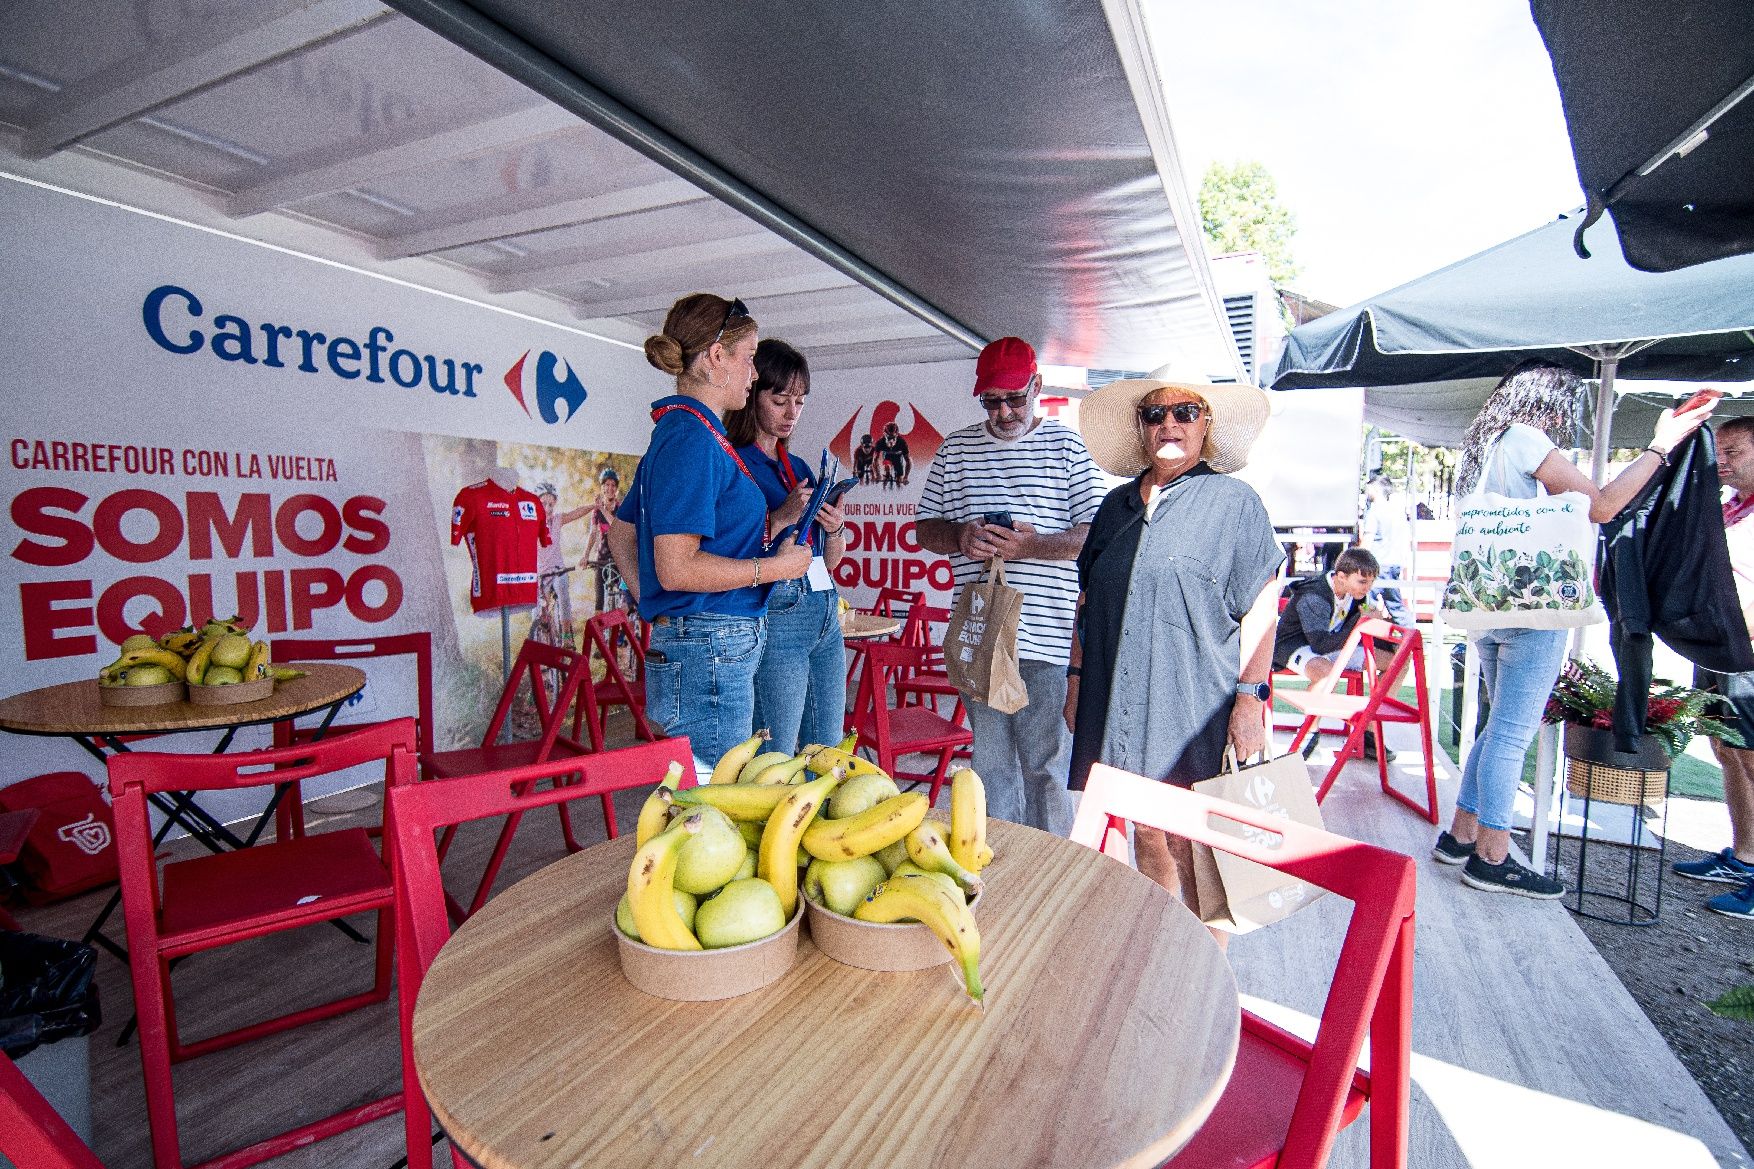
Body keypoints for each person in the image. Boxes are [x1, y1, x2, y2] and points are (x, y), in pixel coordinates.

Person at [1433, 360, 1715, 898]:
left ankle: (1461, 836)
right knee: (1513, 732)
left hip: (1487, 603)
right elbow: (1604, 506)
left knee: (1497, 729)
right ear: (1549, 401)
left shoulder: (1485, 443)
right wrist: (1660, 446)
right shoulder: (1525, 438)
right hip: (1533, 606)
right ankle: (1493, 856)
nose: (1569, 418)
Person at [1065, 376, 1283, 901]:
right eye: (1154, 415)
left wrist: (1251, 701)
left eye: (1186, 412)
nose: (1170, 424)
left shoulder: (1234, 502)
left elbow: (1263, 605)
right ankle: (1164, 942)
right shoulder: (1115, 506)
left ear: (1206, 425)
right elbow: (1087, 602)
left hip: (1196, 702)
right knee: (1145, 826)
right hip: (1120, 700)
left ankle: (1210, 965)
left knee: (1199, 841)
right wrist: (1074, 681)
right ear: (1140, 428)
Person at [606, 294, 813, 773]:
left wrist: (662, 609)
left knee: (711, 790)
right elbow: (677, 566)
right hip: (711, 645)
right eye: (749, 358)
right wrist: (773, 568)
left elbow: (621, 535)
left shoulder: (693, 433)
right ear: (717, 357)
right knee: (709, 798)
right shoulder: (690, 439)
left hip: (708, 640)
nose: (755, 373)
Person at [916, 337, 1105, 835]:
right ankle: (1001, 870)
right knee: (992, 767)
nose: (1004, 411)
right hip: (982, 635)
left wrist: (1030, 545)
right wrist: (961, 536)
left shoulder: (1067, 447)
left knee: (1047, 768)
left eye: (1015, 398)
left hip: (1048, 637)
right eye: (991, 401)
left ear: (1037, 386)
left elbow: (1092, 537)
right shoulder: (956, 449)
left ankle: (1049, 876)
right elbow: (924, 529)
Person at [724, 339, 850, 754]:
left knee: (827, 750)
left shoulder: (797, 468)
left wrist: (834, 529)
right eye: (779, 399)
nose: (791, 413)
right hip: (777, 611)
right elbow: (721, 550)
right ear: (752, 394)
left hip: (824, 609)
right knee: (773, 753)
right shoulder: (733, 462)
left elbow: (826, 561)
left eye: (799, 401)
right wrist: (779, 516)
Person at [1675, 414, 1754, 919]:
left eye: (1734, 453)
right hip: (1719, 644)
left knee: (1751, 757)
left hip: (1747, 649)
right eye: (1718, 452)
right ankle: (1745, 856)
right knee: (1727, 749)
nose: (1721, 462)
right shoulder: (1729, 509)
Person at [1274, 546, 1381, 684]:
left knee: (1396, 660)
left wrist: (1381, 626)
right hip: (1293, 646)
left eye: (1372, 582)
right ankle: (1314, 706)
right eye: (1362, 581)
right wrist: (1361, 622)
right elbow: (1320, 646)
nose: (1368, 588)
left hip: (1332, 646)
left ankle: (1376, 706)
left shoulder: (1358, 595)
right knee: (1327, 675)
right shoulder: (1314, 596)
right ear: (1342, 576)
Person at [1361, 476, 1412, 625]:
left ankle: (1370, 634)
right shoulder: (1397, 512)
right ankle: (1411, 636)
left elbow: (1368, 539)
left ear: (1375, 490)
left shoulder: (1374, 512)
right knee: (1395, 605)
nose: (1366, 493)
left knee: (1366, 602)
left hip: (1377, 564)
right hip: (1394, 563)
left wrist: (1357, 560)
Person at [580, 467, 624, 614]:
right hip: (602, 557)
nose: (610, 488)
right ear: (602, 487)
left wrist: (602, 508)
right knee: (599, 602)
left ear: (616, 488)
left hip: (618, 559)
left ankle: (620, 633)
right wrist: (585, 555)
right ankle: (599, 635)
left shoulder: (621, 508)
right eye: (607, 485)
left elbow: (616, 526)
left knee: (620, 599)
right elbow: (593, 534)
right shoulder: (596, 511)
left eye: (613, 485)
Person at [876, 421, 911, 487]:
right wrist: (877, 474)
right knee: (887, 473)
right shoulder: (880, 442)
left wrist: (905, 477)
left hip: (898, 458)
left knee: (899, 479)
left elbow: (908, 461)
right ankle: (884, 487)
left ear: (897, 435)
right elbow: (875, 460)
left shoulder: (902, 442)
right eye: (889, 438)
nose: (891, 441)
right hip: (887, 457)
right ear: (885, 435)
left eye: (893, 438)